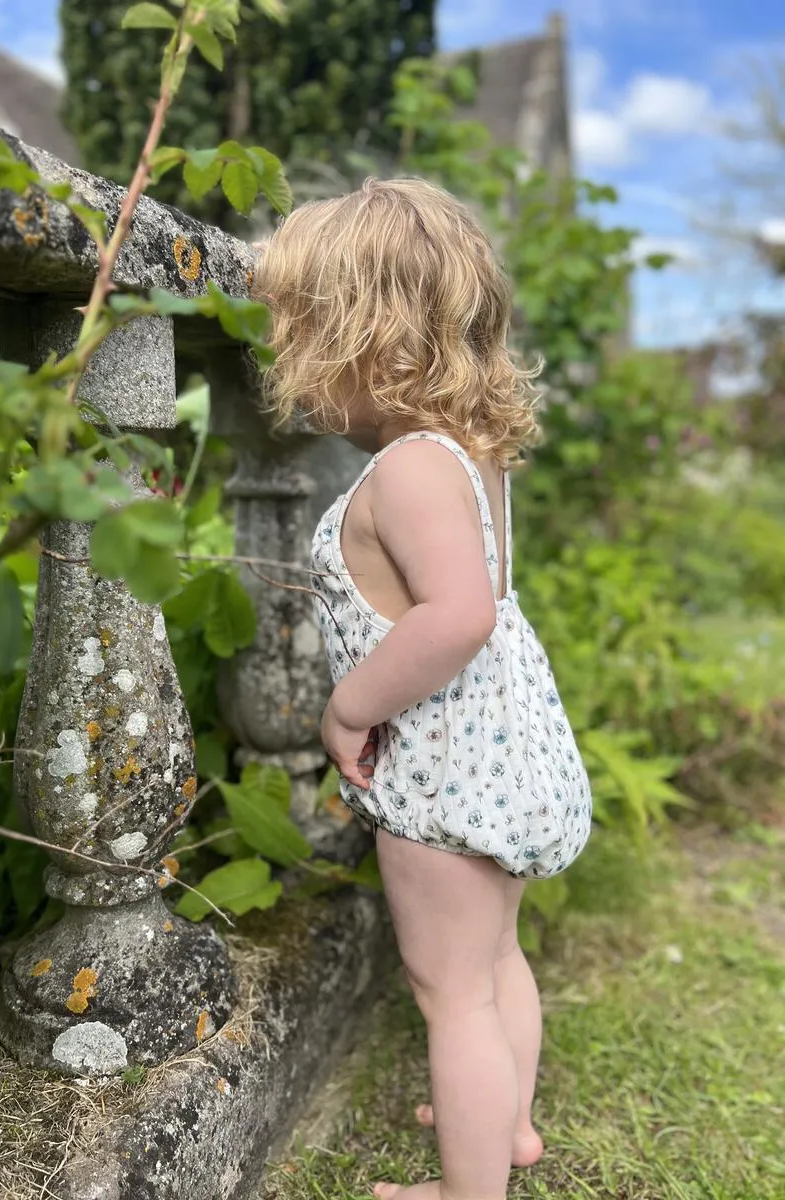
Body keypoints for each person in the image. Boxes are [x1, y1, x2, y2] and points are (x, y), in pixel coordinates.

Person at [252, 177, 592, 1200]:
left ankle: (468, 1189)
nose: (290, 364)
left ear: (369, 338)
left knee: (452, 994)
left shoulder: (405, 472)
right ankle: (507, 1127)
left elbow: (459, 615)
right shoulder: (468, 458)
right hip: (502, 749)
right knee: (494, 964)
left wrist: (351, 703)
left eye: (300, 334)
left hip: (443, 771)